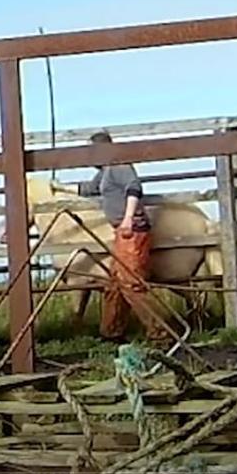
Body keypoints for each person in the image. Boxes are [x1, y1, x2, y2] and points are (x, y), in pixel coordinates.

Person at [76, 130, 168, 344]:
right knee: (114, 284)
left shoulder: (119, 165)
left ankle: (161, 334)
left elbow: (134, 188)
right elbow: (89, 189)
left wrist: (128, 219)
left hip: (132, 230)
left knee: (131, 283)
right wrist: (58, 187)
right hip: (122, 232)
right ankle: (111, 333)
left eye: (91, 151)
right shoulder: (105, 172)